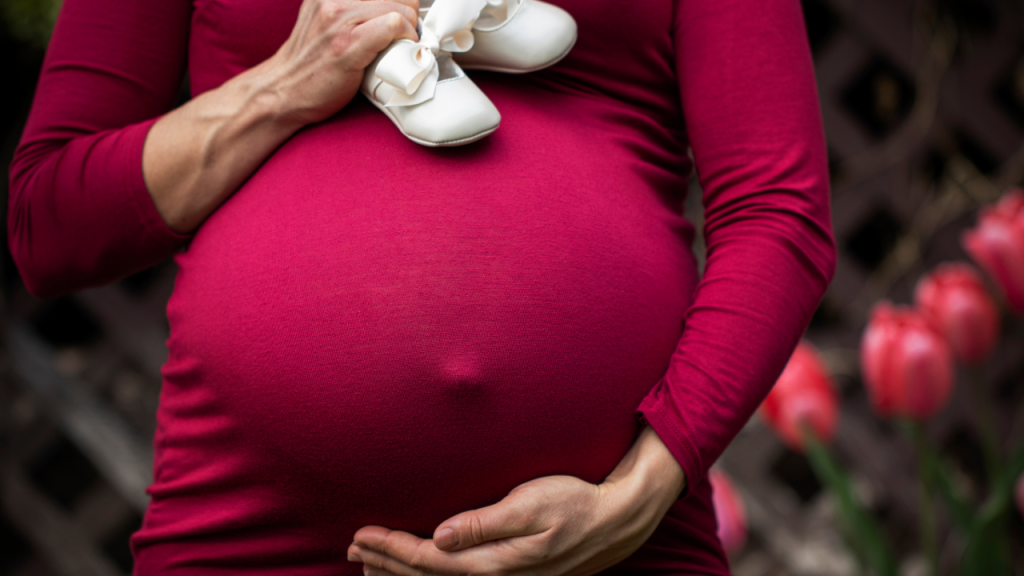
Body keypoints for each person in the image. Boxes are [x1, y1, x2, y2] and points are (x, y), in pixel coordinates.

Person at [7, 0, 837, 573]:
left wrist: (639, 494)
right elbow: (52, 222)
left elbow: (778, 210)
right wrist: (285, 84)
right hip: (249, 532)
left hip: (611, 547)